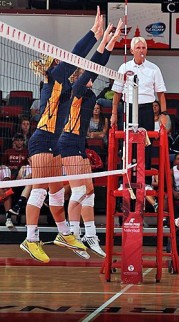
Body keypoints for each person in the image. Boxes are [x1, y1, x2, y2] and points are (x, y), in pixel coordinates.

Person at [21, 10, 104, 263]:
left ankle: (65, 234)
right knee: (39, 191)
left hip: (54, 143)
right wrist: (93, 34)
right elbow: (76, 55)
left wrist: (101, 43)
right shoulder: (55, 79)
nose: (67, 63)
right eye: (60, 60)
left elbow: (86, 68)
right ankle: (31, 239)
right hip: (43, 140)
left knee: (57, 192)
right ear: (54, 65)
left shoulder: (65, 84)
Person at [56, 21, 122, 259]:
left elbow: (100, 64)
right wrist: (104, 37)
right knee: (79, 191)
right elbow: (97, 63)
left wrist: (112, 40)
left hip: (78, 143)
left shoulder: (86, 89)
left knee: (90, 190)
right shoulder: (77, 88)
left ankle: (90, 235)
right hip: (68, 142)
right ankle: (72, 235)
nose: (89, 75)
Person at [110, 36, 167, 175]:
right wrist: (113, 114)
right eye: (138, 48)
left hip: (147, 109)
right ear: (131, 50)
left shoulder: (154, 69)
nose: (141, 50)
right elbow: (117, 93)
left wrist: (164, 114)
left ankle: (145, 180)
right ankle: (126, 179)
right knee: (127, 144)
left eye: (143, 48)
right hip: (128, 108)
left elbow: (161, 94)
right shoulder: (124, 67)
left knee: (146, 144)